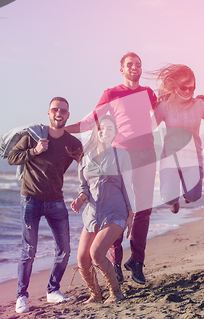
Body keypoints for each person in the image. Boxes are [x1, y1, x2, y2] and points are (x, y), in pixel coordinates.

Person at [66, 52, 157, 285]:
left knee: (143, 210)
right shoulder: (112, 93)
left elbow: (164, 113)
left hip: (147, 154)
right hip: (121, 156)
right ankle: (115, 264)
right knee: (118, 209)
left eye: (138, 64)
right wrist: (60, 130)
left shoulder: (148, 93)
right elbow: (89, 122)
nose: (134, 68)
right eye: (130, 65)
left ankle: (137, 262)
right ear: (122, 69)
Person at [8, 97, 83, 314]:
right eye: (55, 110)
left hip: (56, 201)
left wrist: (84, 192)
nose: (59, 113)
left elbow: (87, 166)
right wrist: (35, 151)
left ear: (68, 115)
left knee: (64, 250)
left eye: (63, 111)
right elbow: (12, 157)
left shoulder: (72, 143)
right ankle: (21, 296)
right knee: (28, 250)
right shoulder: (33, 136)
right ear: (48, 113)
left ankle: (53, 290)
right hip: (30, 199)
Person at [71, 115, 133, 304]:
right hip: (91, 214)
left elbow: (128, 187)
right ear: (96, 132)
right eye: (102, 128)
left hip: (116, 212)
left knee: (97, 253)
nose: (105, 131)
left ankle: (116, 293)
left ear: (115, 134)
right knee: (82, 259)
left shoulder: (120, 154)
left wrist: (131, 213)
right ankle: (96, 294)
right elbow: (84, 187)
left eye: (110, 129)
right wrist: (81, 199)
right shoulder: (85, 157)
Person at [152, 64, 204, 213]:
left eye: (191, 88)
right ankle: (173, 200)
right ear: (175, 86)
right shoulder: (165, 106)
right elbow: (148, 128)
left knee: (193, 196)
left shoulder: (199, 105)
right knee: (168, 198)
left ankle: (187, 194)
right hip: (170, 159)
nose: (188, 91)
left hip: (193, 159)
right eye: (183, 87)